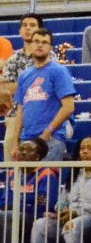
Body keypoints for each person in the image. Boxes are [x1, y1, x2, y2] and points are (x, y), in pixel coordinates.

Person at [12, 29, 75, 161]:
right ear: (30, 45)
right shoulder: (24, 75)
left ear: (50, 48)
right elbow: (20, 111)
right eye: (36, 41)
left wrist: (47, 133)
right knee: (25, 182)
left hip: (51, 140)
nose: (40, 45)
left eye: (44, 42)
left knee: (45, 180)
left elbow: (68, 107)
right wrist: (14, 143)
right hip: (26, 140)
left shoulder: (59, 71)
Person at [0, 137, 59, 243]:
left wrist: (17, 206)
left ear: (37, 156)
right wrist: (22, 204)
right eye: (21, 149)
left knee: (6, 217)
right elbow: (3, 200)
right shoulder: (12, 173)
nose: (24, 153)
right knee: (5, 215)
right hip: (14, 212)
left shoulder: (46, 173)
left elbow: (44, 204)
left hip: (33, 216)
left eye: (29, 150)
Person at [0, 13, 50, 162]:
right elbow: (4, 89)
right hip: (16, 113)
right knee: (10, 150)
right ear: (20, 31)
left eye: (32, 25)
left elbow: (46, 85)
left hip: (43, 111)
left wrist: (17, 86)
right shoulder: (13, 59)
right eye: (24, 25)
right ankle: (12, 180)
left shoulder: (49, 56)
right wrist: (28, 83)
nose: (28, 28)